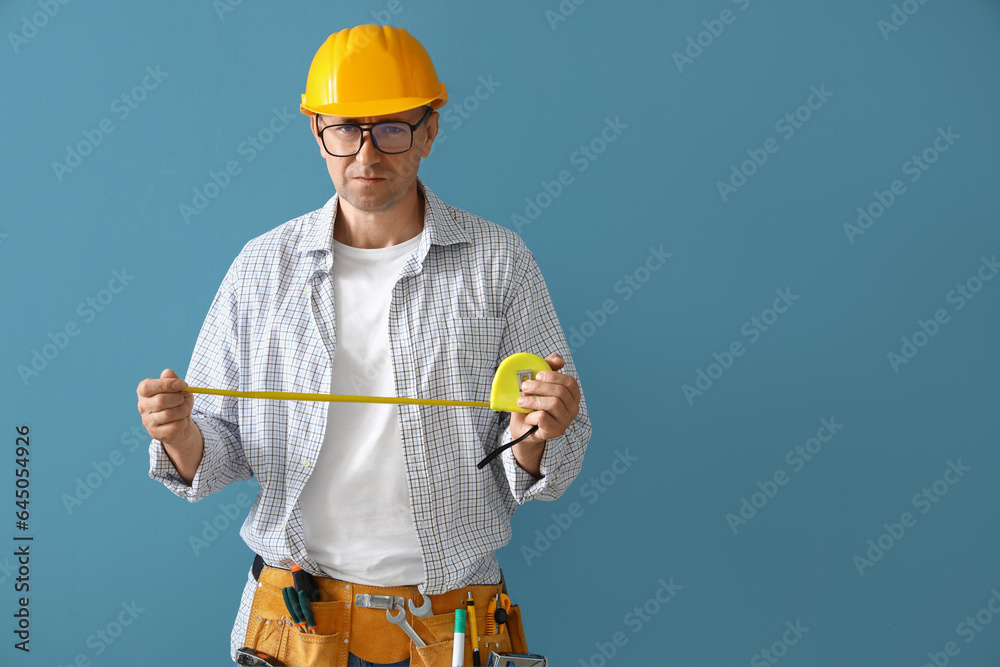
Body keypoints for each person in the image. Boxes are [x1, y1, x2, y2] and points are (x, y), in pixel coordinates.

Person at [138, 24, 590, 667]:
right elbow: (220, 447)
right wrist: (178, 433)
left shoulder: (499, 263)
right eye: (346, 128)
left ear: (430, 131)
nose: (367, 154)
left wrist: (541, 430)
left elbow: (555, 462)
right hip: (298, 622)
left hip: (454, 622)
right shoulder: (262, 267)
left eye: (392, 128)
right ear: (317, 132)